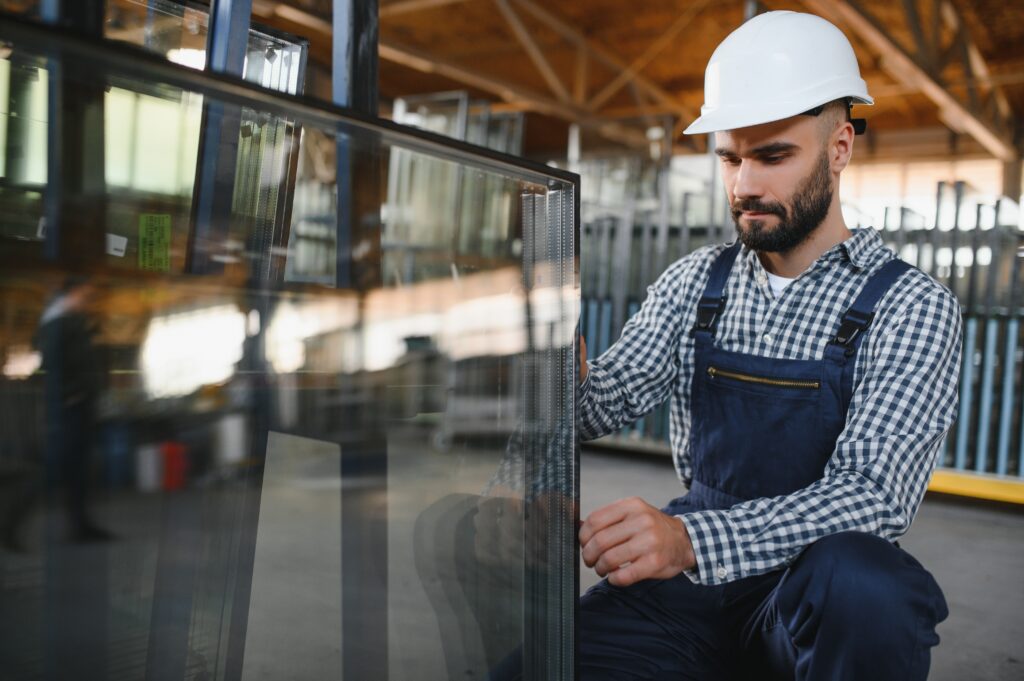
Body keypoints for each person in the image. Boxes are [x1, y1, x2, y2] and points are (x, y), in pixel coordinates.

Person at [576, 11, 961, 681]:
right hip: (690, 588)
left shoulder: (910, 305)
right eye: (730, 156)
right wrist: (555, 370)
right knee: (549, 659)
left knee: (868, 583)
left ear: (839, 147)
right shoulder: (697, 281)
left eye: (774, 155)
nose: (745, 184)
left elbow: (871, 495)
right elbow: (602, 402)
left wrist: (692, 539)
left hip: (807, 597)